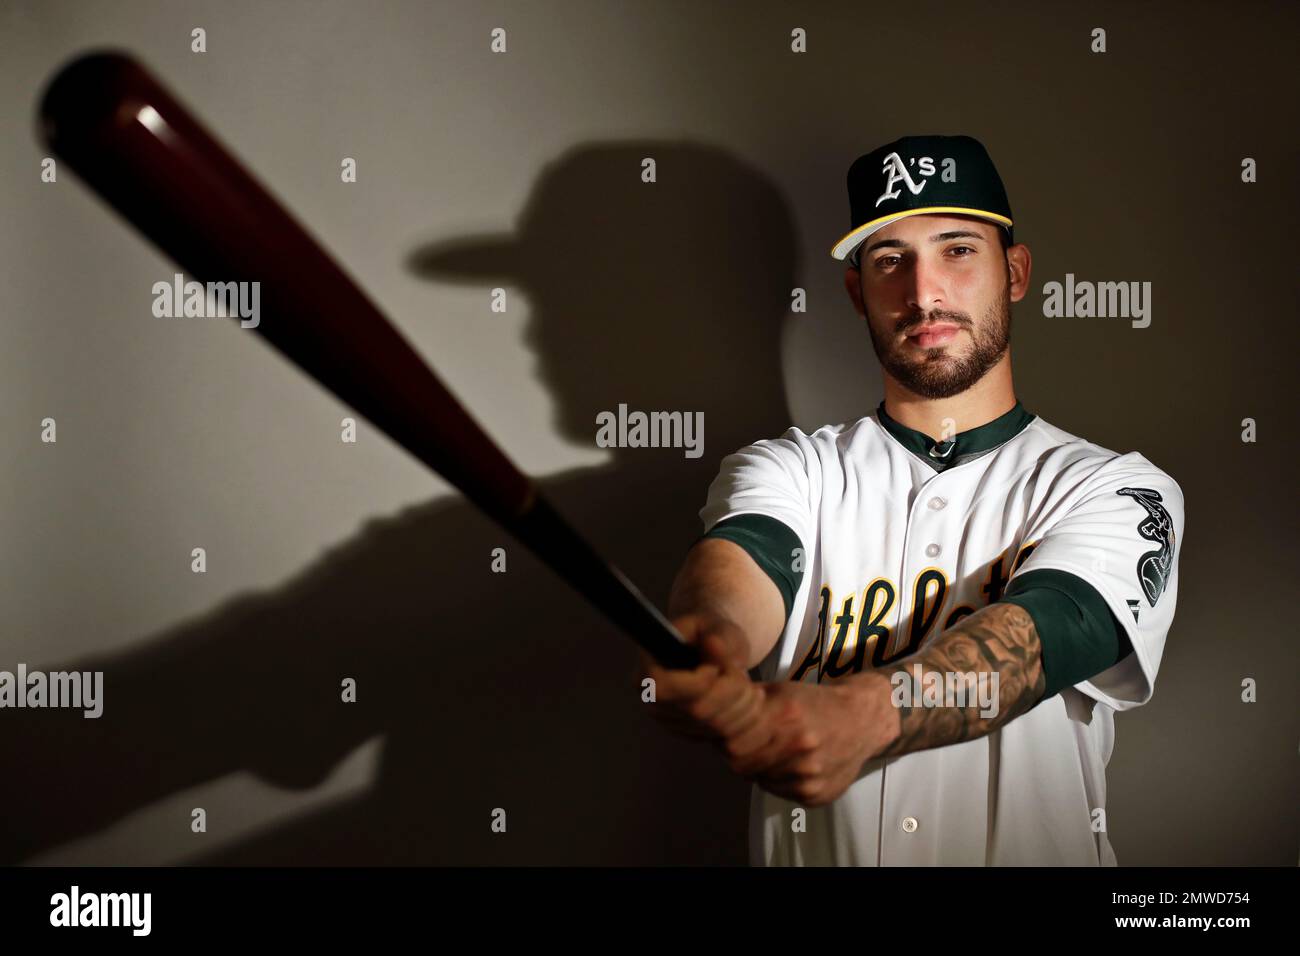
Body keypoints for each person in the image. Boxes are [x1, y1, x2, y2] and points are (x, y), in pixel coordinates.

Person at [644, 134, 1185, 866]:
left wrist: (863, 717)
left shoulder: (1113, 486)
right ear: (855, 289)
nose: (923, 291)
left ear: (1016, 272)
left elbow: (1051, 630)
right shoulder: (791, 468)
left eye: (957, 249)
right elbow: (743, 569)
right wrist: (711, 646)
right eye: (890, 259)